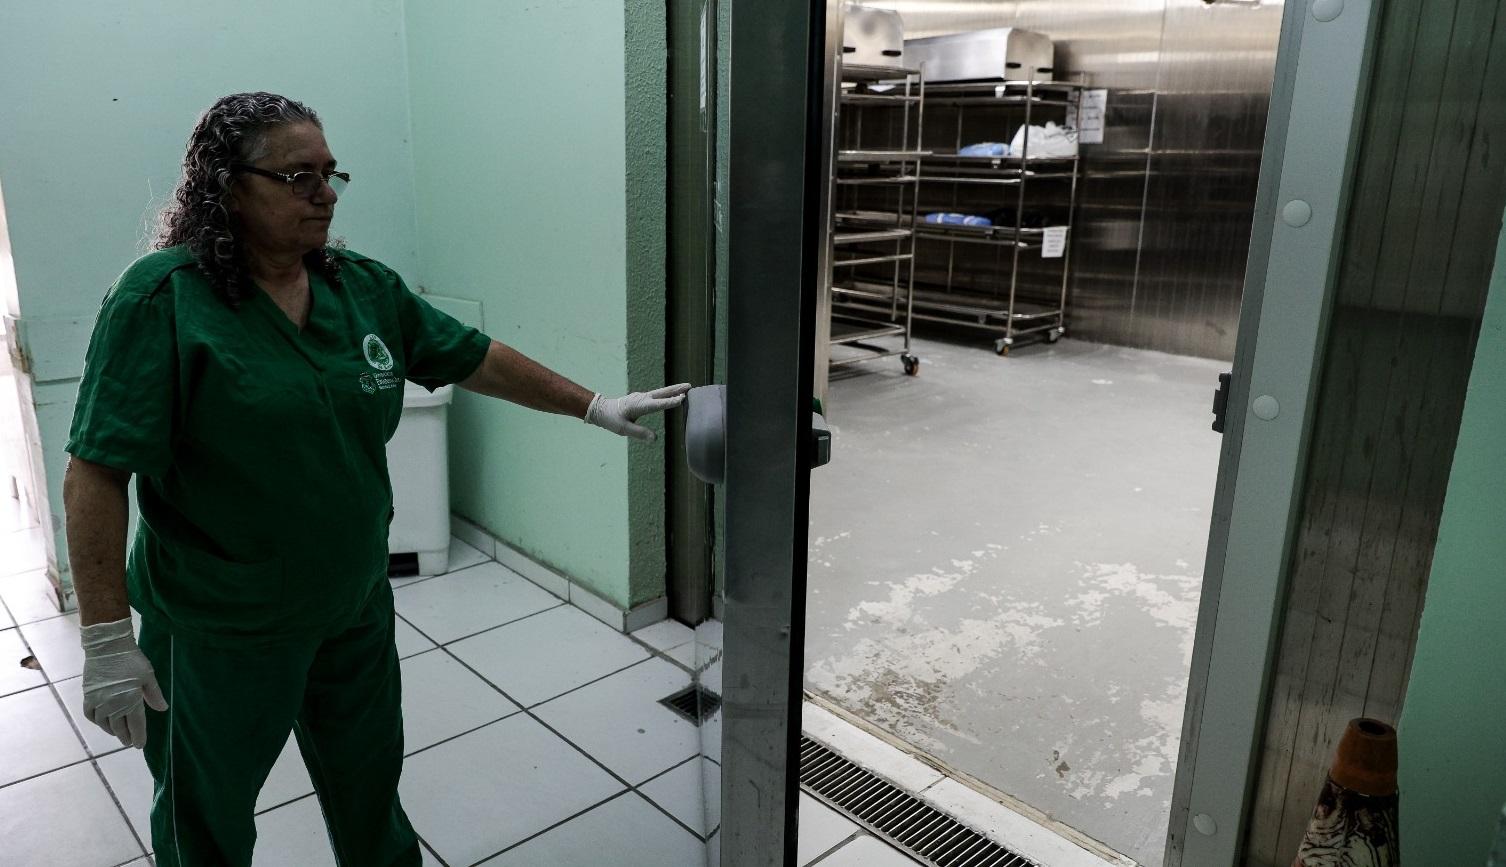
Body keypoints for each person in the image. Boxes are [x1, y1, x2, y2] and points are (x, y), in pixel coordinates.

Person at [61, 91, 688, 866]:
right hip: (220, 625)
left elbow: (473, 356)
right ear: (226, 185)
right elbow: (95, 471)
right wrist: (106, 638)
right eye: (296, 176)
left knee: (369, 789)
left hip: (351, 610)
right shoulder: (160, 300)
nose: (323, 193)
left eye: (331, 173)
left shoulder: (361, 287)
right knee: (206, 815)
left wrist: (592, 404)